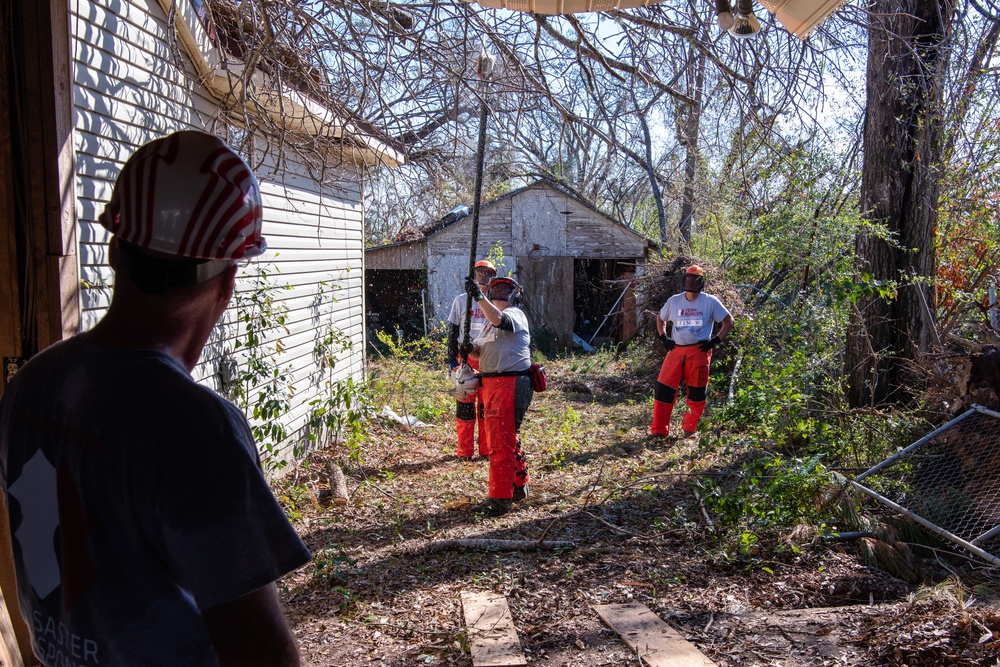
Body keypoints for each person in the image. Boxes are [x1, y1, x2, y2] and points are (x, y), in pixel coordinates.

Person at [0, 131, 310, 666]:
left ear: (115, 250)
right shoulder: (194, 428)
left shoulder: (31, 383)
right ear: (227, 279)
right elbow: (258, 652)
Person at [465, 275, 533, 516]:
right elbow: (479, 355)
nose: (501, 291)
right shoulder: (488, 321)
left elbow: (499, 319)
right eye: (498, 288)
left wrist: (478, 296)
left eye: (505, 288)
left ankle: (500, 498)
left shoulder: (514, 314)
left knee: (499, 444)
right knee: (507, 437)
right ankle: (518, 486)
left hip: (510, 382)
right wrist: (466, 348)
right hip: (494, 382)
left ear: (515, 294)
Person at [650, 264, 734, 438]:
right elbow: (660, 318)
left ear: (701, 282)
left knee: (697, 393)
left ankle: (689, 430)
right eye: (688, 278)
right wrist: (663, 337)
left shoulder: (710, 301)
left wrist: (715, 341)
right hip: (675, 350)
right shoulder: (674, 301)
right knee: (663, 389)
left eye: (695, 279)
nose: (691, 281)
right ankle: (659, 431)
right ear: (683, 279)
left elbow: (728, 321)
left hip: (699, 352)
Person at [446, 260, 497, 459]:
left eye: (488, 272)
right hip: (465, 360)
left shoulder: (495, 303)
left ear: (493, 276)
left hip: (489, 360)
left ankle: (486, 450)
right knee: (465, 408)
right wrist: (452, 362)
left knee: (486, 409)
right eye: (480, 272)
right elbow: (452, 332)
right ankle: (464, 452)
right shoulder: (461, 301)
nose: (483, 276)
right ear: (474, 275)